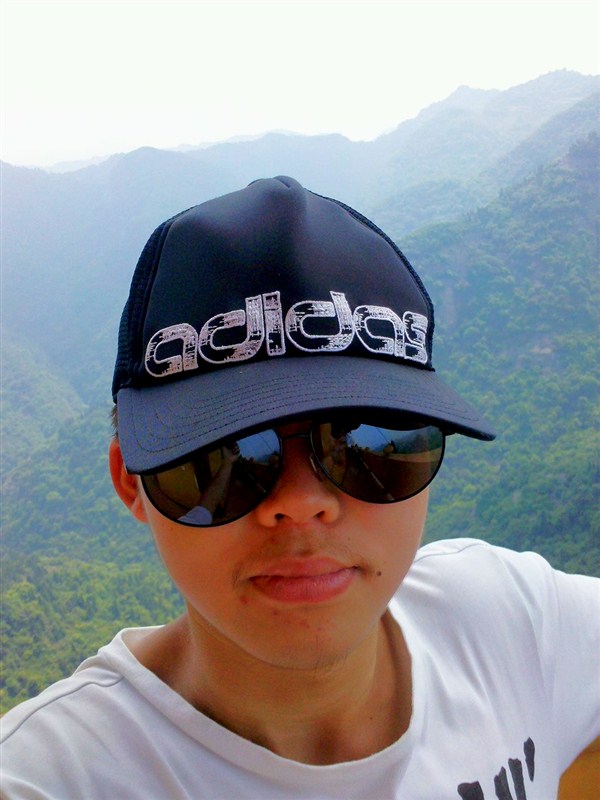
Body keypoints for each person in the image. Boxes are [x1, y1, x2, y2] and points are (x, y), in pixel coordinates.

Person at [1, 176, 598, 799]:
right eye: (225, 456)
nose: (301, 502)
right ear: (132, 484)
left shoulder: (515, 623)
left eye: (366, 442)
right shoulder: (52, 779)